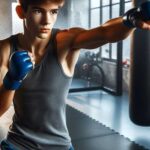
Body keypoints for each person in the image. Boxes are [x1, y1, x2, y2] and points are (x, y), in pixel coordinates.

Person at [0, 0, 150, 149]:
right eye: (38, 11)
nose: (47, 21)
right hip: (18, 144)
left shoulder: (64, 42)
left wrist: (130, 20)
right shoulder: (5, 49)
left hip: (59, 145)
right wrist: (12, 80)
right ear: (21, 12)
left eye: (53, 12)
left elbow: (104, 32)